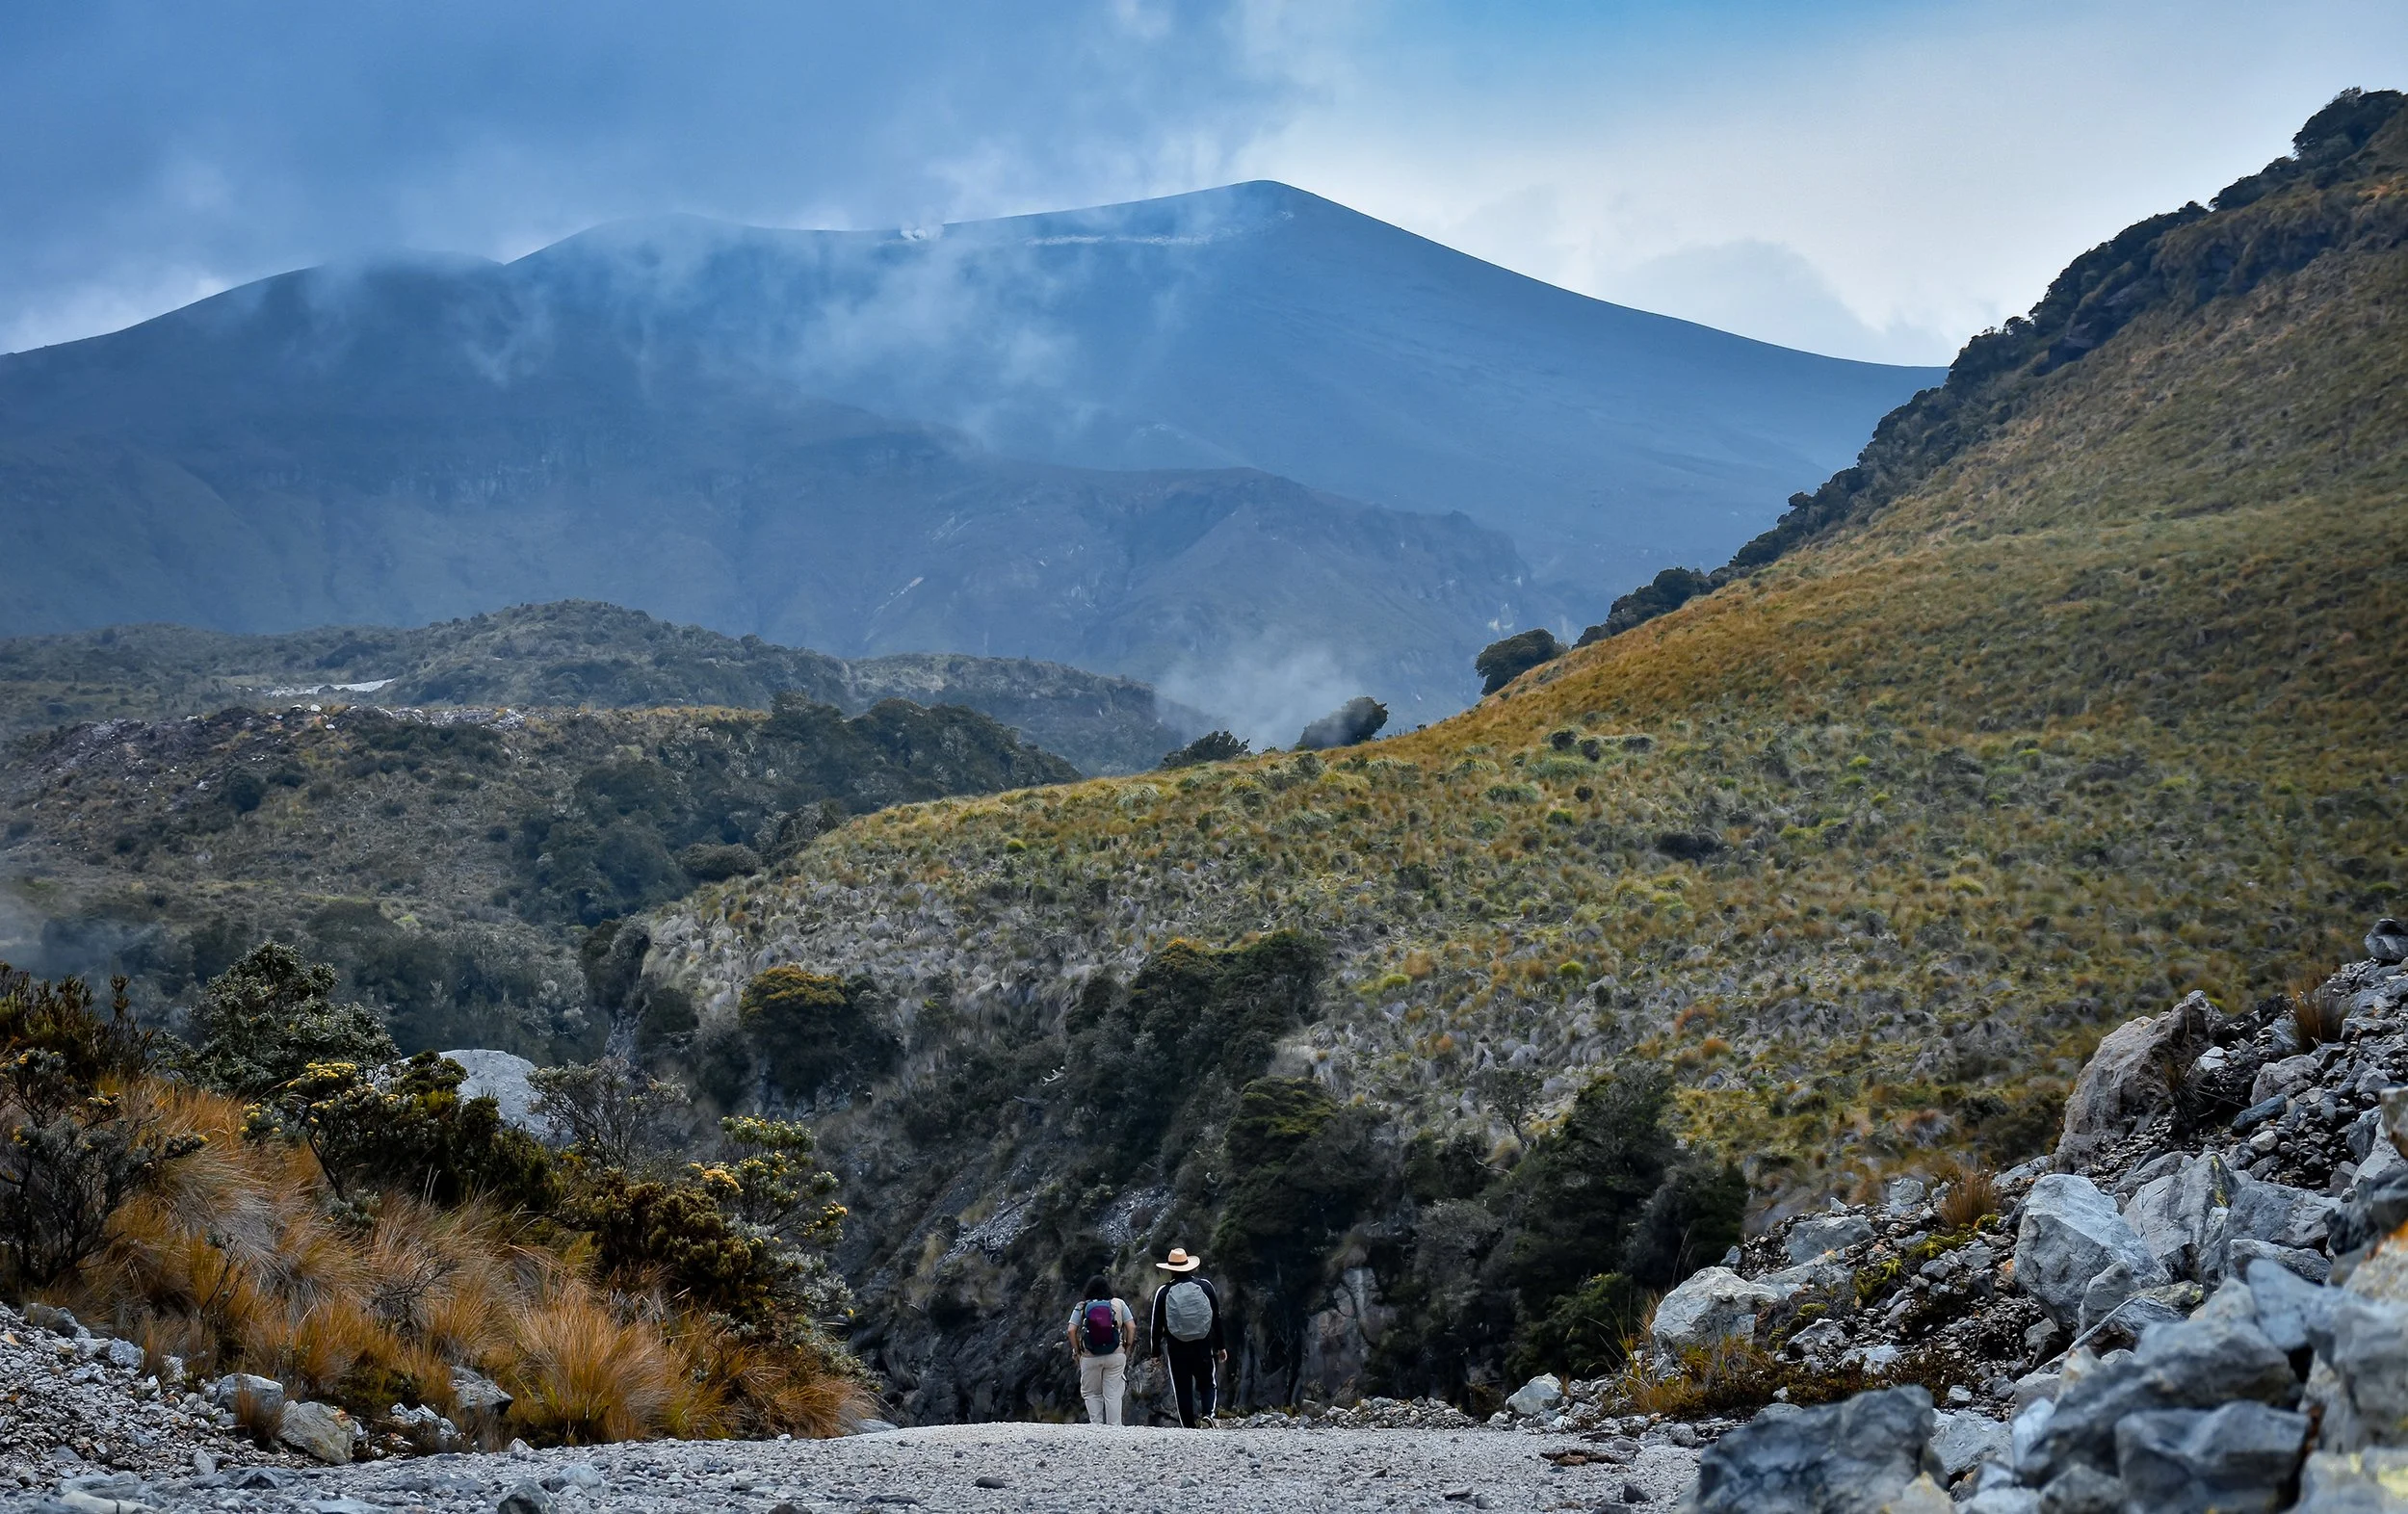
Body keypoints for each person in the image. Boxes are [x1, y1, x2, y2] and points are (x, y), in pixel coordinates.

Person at [1147, 1246, 1225, 1428]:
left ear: (1170, 1269)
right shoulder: (1205, 1286)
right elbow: (1216, 1318)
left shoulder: (1164, 1292)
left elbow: (1156, 1325)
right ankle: (1208, 1415)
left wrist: (1155, 1353)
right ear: (1190, 1266)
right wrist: (1221, 1346)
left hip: (1177, 1347)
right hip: (1203, 1344)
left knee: (1182, 1388)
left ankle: (1188, 1427)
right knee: (1207, 1383)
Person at [1065, 1272, 1136, 1425]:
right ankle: (1115, 1428)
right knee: (1113, 1393)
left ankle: (1096, 1427)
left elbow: (1071, 1330)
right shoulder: (1119, 1304)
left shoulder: (1082, 1306)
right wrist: (1127, 1348)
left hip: (1089, 1356)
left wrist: (1077, 1352)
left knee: (1091, 1393)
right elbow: (1131, 1327)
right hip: (1116, 1355)